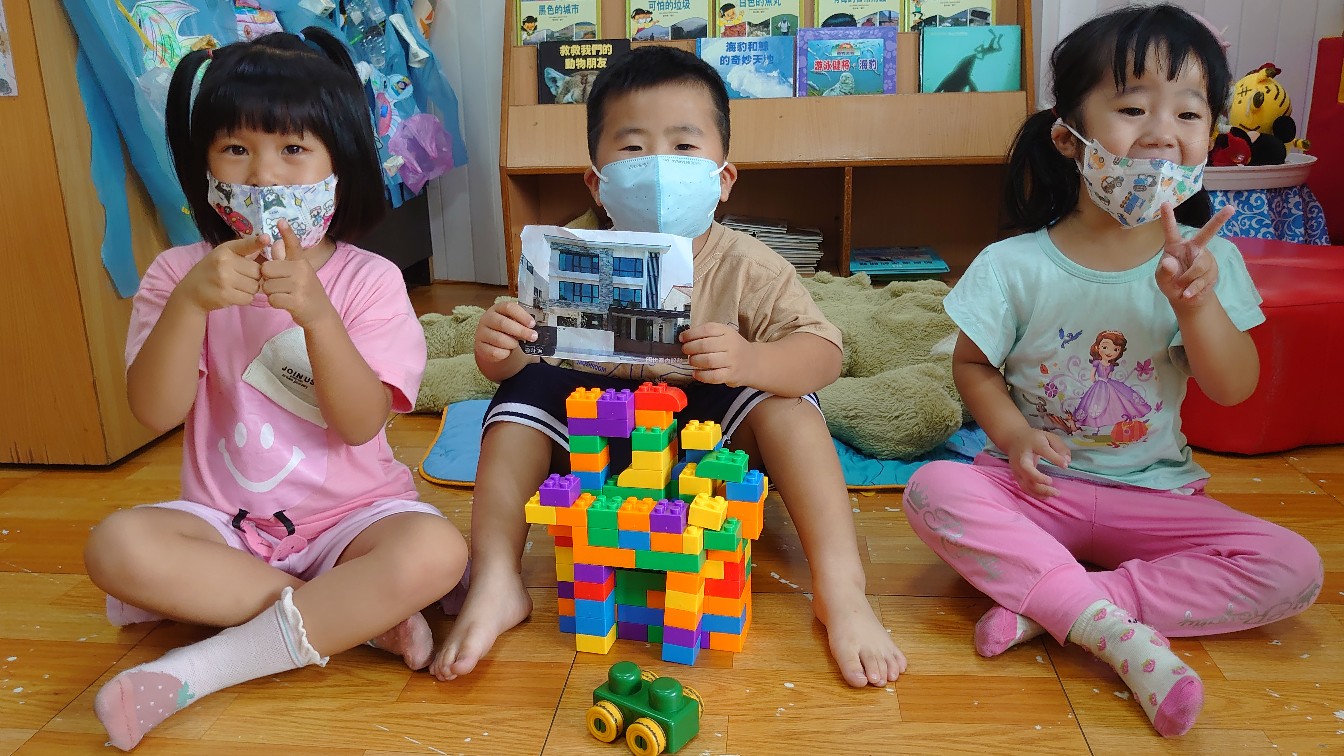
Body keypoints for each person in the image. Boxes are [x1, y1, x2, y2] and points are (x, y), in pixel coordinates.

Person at [902, 4, 1321, 738]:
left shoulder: (1210, 261)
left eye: (1188, 112)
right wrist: (1013, 435)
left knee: (1295, 566)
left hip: (1157, 495)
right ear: (1069, 136)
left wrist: (1197, 306)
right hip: (1038, 490)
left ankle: (1068, 605)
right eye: (1132, 108)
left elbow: (1233, 389)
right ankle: (1100, 620)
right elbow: (972, 366)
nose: (1162, 132)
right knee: (934, 487)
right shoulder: (1012, 264)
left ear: (1211, 136)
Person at [432, 45, 906, 689]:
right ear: (597, 182)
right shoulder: (568, 258)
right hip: (595, 438)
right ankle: (496, 579)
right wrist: (500, 348)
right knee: (518, 399)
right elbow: (519, 355)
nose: (658, 168)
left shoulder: (748, 264)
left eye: (684, 147)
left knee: (787, 403)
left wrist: (753, 359)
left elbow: (823, 353)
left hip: (711, 442)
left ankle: (842, 590)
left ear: (723, 178)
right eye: (632, 149)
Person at [82, 28, 467, 751]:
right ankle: (351, 618)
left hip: (356, 520)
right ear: (202, 164)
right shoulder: (178, 274)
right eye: (235, 148)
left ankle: (203, 669)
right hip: (226, 527)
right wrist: (190, 306)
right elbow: (154, 410)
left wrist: (318, 316)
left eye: (293, 148)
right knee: (116, 546)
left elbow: (360, 424)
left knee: (435, 551)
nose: (263, 174)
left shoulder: (370, 280)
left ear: (340, 162)